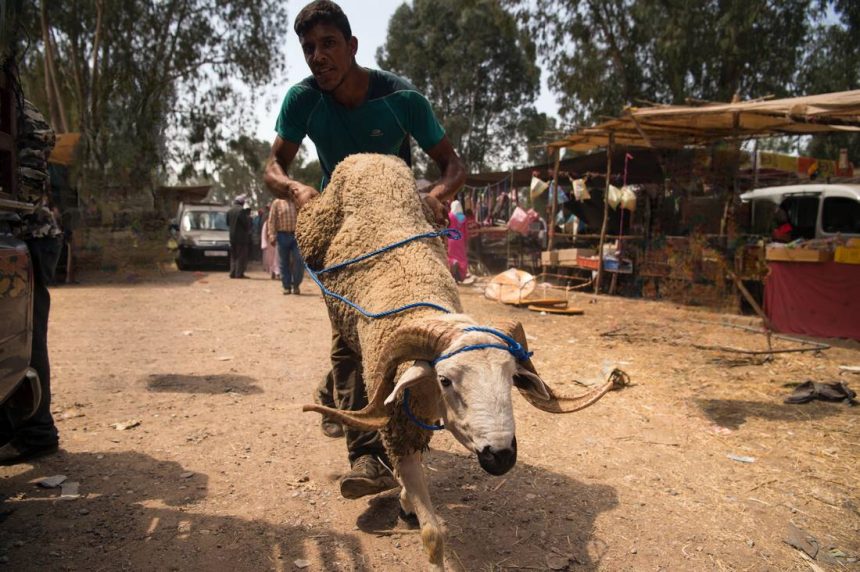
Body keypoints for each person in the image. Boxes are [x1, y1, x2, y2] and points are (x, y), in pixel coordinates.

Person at [262, 0, 466, 499]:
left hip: (398, 225)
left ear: (352, 47)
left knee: (409, 327)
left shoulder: (402, 98)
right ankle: (366, 457)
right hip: (345, 231)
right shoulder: (302, 100)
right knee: (350, 335)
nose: (317, 56)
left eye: (328, 44)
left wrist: (438, 197)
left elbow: (453, 165)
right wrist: (296, 190)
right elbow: (273, 165)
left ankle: (379, 415)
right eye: (309, 48)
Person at [0, 99, 62, 465]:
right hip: (23, 235)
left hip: (28, 236)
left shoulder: (21, 111)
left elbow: (28, 188)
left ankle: (36, 433)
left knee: (26, 335)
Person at [266, 197, 303, 294]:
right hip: (282, 235)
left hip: (297, 235)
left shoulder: (297, 201)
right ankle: (286, 286)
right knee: (283, 262)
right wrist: (272, 236)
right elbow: (272, 220)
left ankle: (296, 285)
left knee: (299, 260)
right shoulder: (277, 202)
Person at [226, 194, 252, 278]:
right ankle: (239, 273)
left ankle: (232, 273)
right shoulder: (241, 211)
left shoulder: (229, 211)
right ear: (242, 203)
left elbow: (227, 223)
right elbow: (245, 224)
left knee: (233, 256)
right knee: (241, 256)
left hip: (232, 237)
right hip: (241, 238)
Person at [447, 200, 469, 282]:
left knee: (450, 256)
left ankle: (453, 263)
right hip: (460, 240)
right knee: (462, 258)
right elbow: (466, 232)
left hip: (451, 240)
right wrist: (466, 243)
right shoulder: (463, 218)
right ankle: (460, 276)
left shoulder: (449, 216)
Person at [261, 205, 281, 280]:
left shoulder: (279, 220)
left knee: (277, 258)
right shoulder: (267, 222)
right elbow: (264, 232)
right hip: (270, 242)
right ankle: (273, 272)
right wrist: (265, 243)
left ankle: (277, 272)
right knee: (271, 259)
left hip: (278, 241)